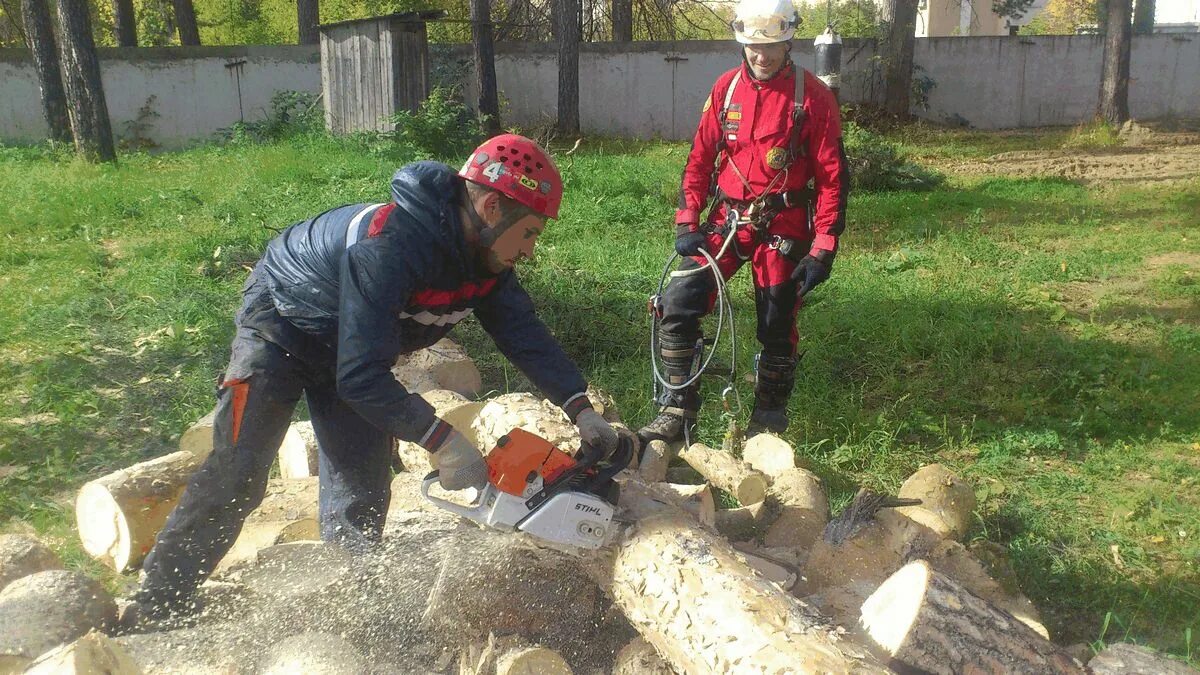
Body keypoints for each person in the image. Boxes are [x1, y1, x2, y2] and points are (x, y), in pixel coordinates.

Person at [128, 134, 618, 626]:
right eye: (530, 233)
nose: (531, 251)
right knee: (238, 467)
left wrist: (581, 408)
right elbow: (360, 374)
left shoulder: (485, 263)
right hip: (278, 322)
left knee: (360, 489)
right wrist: (440, 438)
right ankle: (158, 603)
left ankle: (351, 610)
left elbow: (525, 335)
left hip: (353, 347)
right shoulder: (391, 245)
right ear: (492, 207)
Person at [637, 0, 849, 445]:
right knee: (677, 300)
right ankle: (676, 413)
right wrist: (686, 220)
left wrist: (824, 245)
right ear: (741, 43)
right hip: (728, 219)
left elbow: (833, 177)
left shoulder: (812, 97)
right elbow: (699, 160)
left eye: (772, 46)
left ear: (789, 42)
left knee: (776, 315)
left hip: (785, 223)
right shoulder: (725, 90)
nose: (762, 56)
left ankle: (768, 420)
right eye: (754, 46)